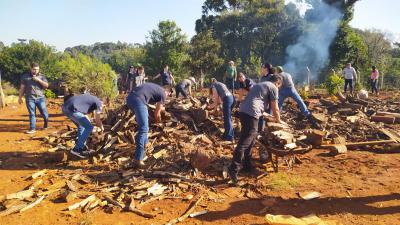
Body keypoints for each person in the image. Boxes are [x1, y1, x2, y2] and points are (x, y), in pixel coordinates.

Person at [228, 74, 284, 184]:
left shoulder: (260, 85)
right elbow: (275, 107)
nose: (278, 88)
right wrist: (278, 120)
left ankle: (247, 165)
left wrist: (268, 116)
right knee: (245, 141)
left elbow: (256, 101)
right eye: (279, 86)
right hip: (251, 113)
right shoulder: (273, 87)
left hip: (244, 111)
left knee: (251, 139)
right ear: (277, 82)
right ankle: (233, 168)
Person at [126, 83, 168, 167]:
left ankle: (145, 143)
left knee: (144, 125)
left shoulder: (155, 88)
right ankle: (138, 159)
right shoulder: (163, 93)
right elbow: (157, 113)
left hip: (129, 98)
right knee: (144, 129)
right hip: (139, 100)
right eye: (169, 93)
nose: (168, 96)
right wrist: (159, 123)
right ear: (168, 90)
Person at [62, 93, 104, 158]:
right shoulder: (99, 103)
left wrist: (88, 121)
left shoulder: (90, 99)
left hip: (65, 108)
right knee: (89, 127)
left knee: (81, 125)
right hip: (73, 109)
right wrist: (101, 127)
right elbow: (97, 119)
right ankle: (77, 149)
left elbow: (83, 115)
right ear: (103, 101)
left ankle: (81, 145)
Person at [18, 63, 49, 134]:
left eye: (37, 69)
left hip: (40, 98)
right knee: (32, 114)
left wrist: (38, 80)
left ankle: (46, 125)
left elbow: (47, 85)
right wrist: (20, 97)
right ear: (31, 69)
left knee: (44, 113)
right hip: (29, 98)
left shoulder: (42, 76)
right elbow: (22, 88)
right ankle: (32, 128)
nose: (36, 71)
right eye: (34, 69)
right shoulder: (25, 76)